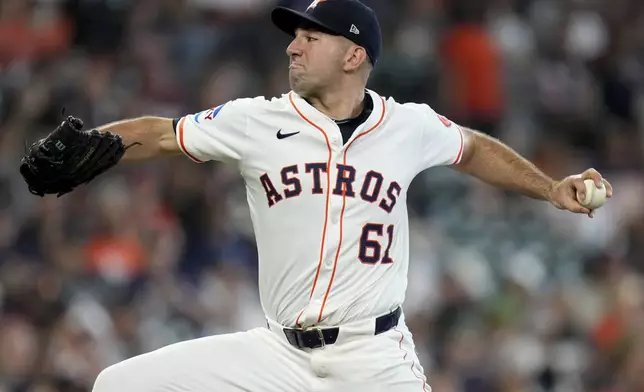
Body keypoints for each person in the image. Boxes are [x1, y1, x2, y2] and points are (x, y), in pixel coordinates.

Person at [40, 1, 612, 391]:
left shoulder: (406, 126)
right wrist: (95, 146)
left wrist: (548, 188)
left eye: (310, 38)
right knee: (119, 385)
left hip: (372, 355)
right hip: (278, 354)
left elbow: (471, 148)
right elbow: (163, 133)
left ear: (353, 55)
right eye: (295, 36)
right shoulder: (255, 122)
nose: (294, 48)